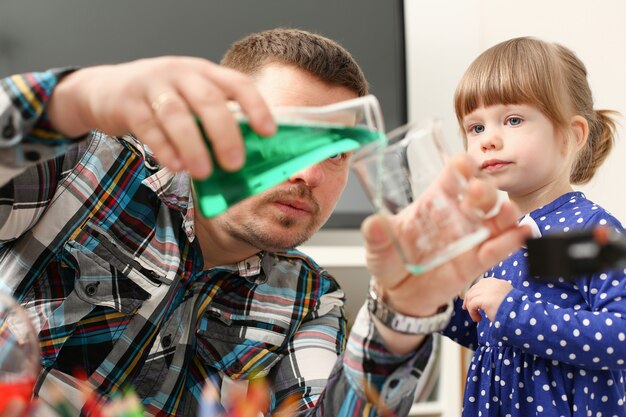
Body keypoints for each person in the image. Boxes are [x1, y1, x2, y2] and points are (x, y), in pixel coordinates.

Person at [0, 28, 527, 417]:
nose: (308, 174)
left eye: (337, 154)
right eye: (282, 138)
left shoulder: (310, 298)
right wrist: (74, 100)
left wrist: (402, 318)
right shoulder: (90, 167)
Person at [443, 36, 626, 416]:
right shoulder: (498, 237)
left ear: (571, 135)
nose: (488, 140)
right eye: (474, 128)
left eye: (513, 120)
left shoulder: (583, 233)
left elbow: (618, 338)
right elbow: (489, 335)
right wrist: (437, 303)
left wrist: (511, 308)